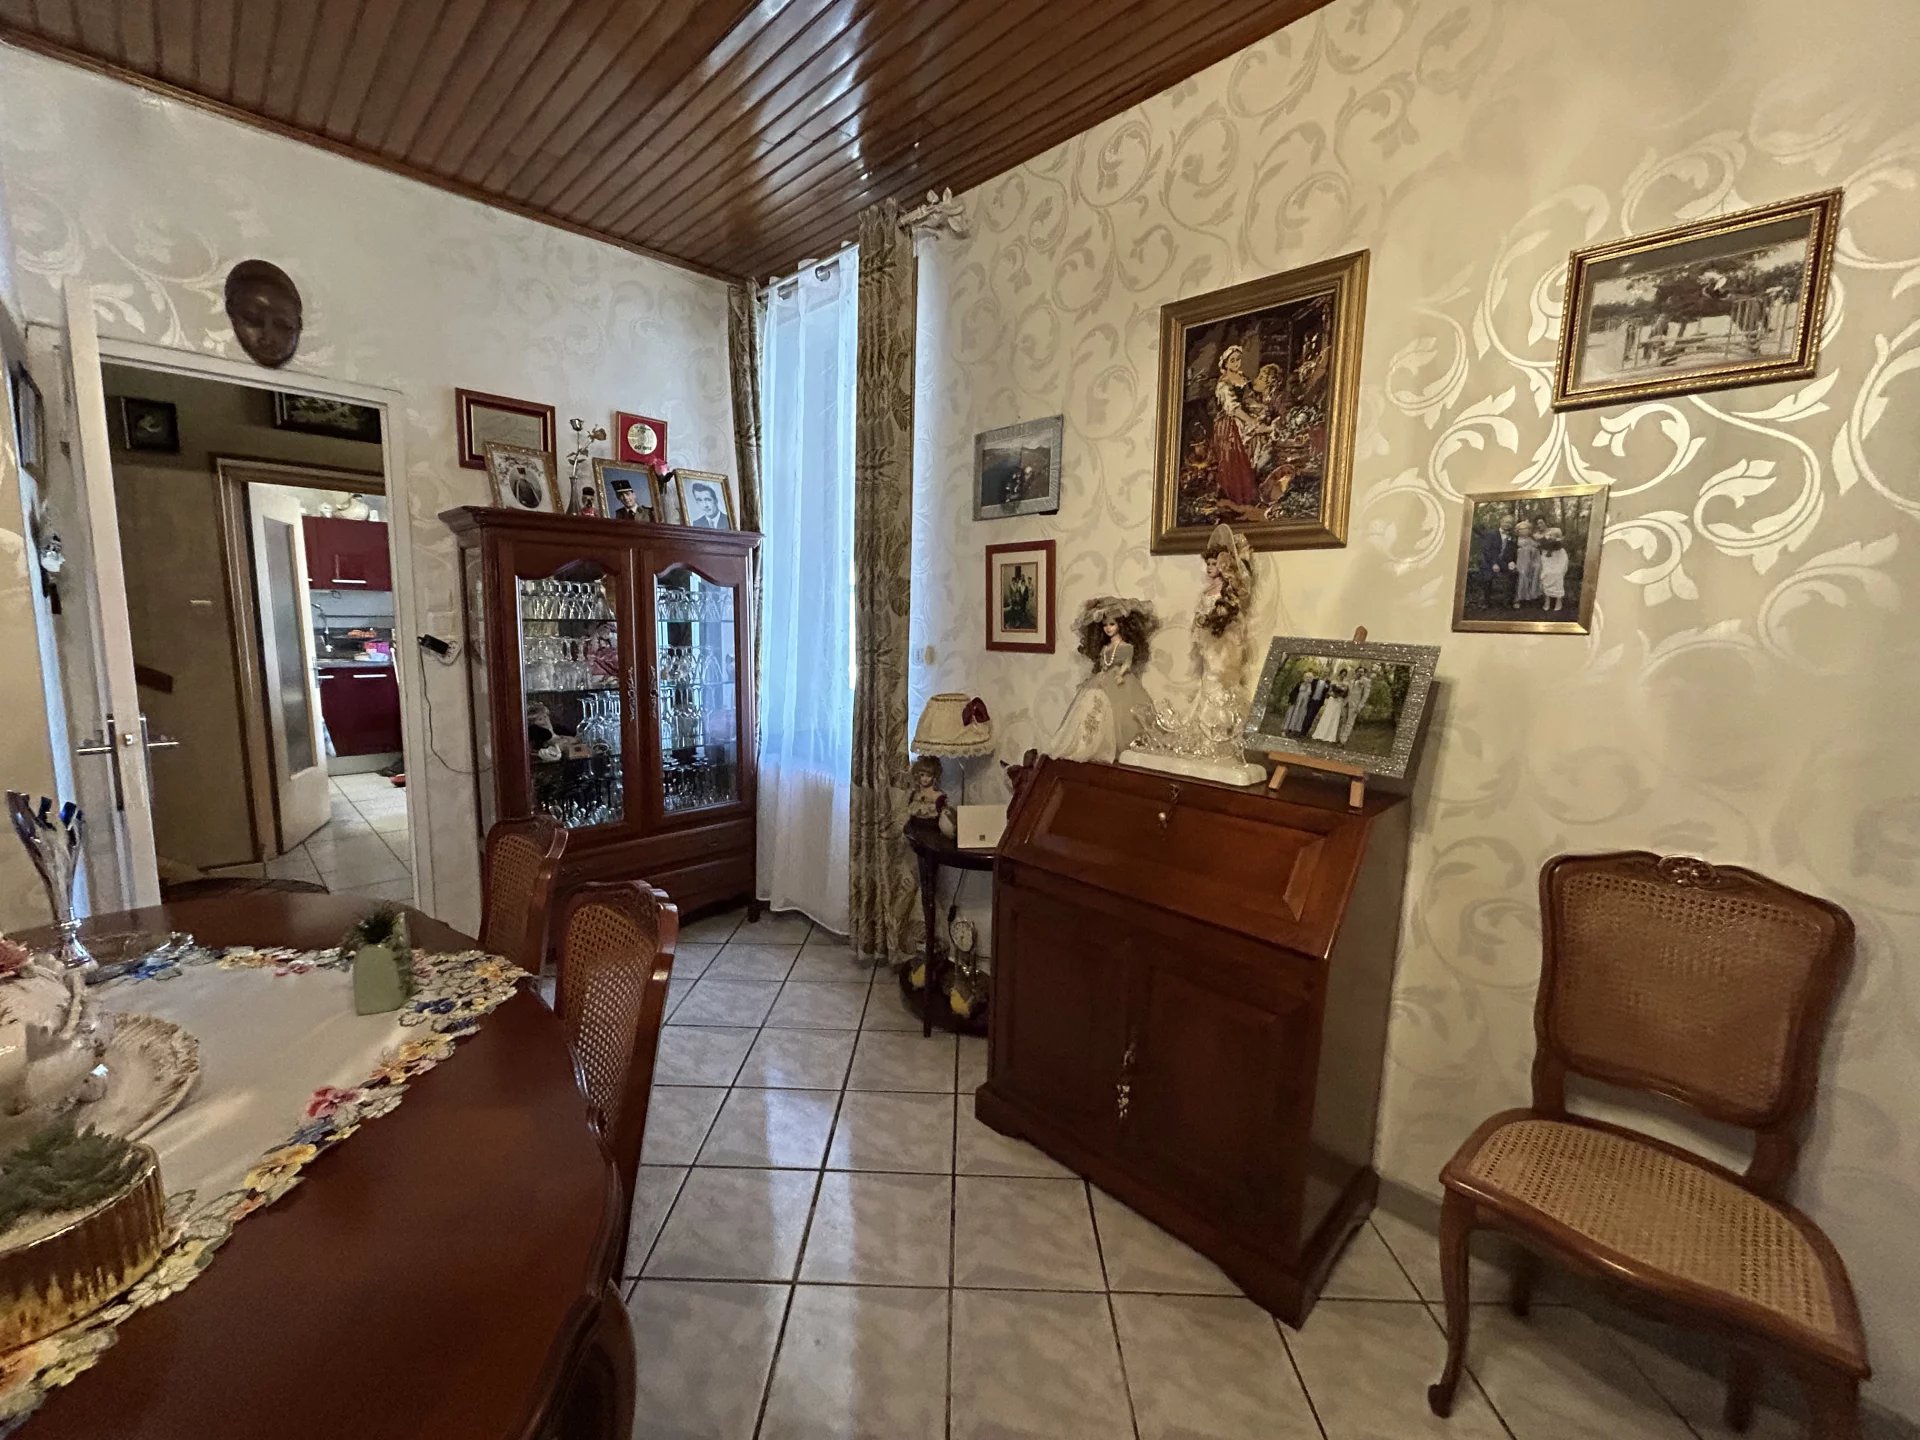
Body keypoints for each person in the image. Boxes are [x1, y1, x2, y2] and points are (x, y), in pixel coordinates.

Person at [1041, 598, 1158, 763]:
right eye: (1105, 625)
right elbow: (1104, 664)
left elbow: (1127, 664)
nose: (1108, 628)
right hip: (1103, 677)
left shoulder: (1126, 647)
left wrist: (1120, 673)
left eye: (1112, 624)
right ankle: (1085, 744)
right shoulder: (1105, 648)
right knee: (1091, 703)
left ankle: (1110, 746)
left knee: (1120, 713)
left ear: (1121, 625)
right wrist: (1102, 674)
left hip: (1120, 680)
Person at [1209, 345, 1265, 509]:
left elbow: (1247, 399)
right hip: (1228, 425)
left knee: (1249, 455)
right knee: (1233, 459)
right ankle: (1234, 497)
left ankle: (1247, 496)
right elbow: (1233, 408)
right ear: (1225, 363)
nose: (1236, 363)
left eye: (1238, 360)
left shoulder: (1242, 378)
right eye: (1232, 360)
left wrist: (1260, 407)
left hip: (1241, 420)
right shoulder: (1224, 384)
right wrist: (1250, 420)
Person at [1479, 513, 1517, 609]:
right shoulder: (1491, 534)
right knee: (1488, 577)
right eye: (1506, 522)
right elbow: (1487, 551)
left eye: (1510, 523)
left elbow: (1512, 552)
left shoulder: (1512, 537)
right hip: (1489, 561)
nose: (1507, 524)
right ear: (1501, 522)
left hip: (1502, 562)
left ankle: (1507, 601)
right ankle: (1485, 601)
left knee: (1513, 573)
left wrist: (1511, 561)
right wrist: (1494, 564)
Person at [1310, 665, 1349, 743]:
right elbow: (1328, 692)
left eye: (1345, 675)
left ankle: (1330, 736)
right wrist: (1333, 694)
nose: (1343, 676)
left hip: (1339, 701)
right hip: (1332, 700)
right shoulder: (1334, 681)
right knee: (1327, 716)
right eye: (1342, 674)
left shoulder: (1346, 684)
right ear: (1340, 674)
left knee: (1335, 718)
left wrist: (1340, 694)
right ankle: (1320, 734)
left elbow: (1345, 694)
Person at [1538, 527, 1571, 613]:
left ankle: (1559, 601)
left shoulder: (1560, 549)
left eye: (1552, 535)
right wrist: (1547, 568)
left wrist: (1558, 569)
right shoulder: (1545, 548)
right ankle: (1547, 600)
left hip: (1557, 566)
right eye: (1549, 535)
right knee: (1546, 574)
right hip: (1548, 566)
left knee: (1557, 576)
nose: (1550, 537)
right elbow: (1544, 559)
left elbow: (1563, 561)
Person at [1339, 665, 1373, 744]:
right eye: (1359, 671)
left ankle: (1343, 741)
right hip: (1346, 703)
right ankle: (1340, 738)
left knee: (1349, 723)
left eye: (1362, 672)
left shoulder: (1366, 681)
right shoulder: (1351, 681)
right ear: (1356, 672)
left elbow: (1365, 695)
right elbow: (1347, 692)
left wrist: (1360, 706)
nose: (1361, 673)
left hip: (1355, 705)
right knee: (1344, 721)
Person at [1513, 519, 1542, 608]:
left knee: (1535, 572)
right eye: (1521, 529)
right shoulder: (1515, 540)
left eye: (1526, 529)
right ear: (1518, 531)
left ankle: (1530, 597)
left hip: (1532, 562)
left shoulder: (1532, 540)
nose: (1524, 531)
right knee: (1522, 576)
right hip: (1520, 562)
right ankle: (1518, 598)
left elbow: (1537, 549)